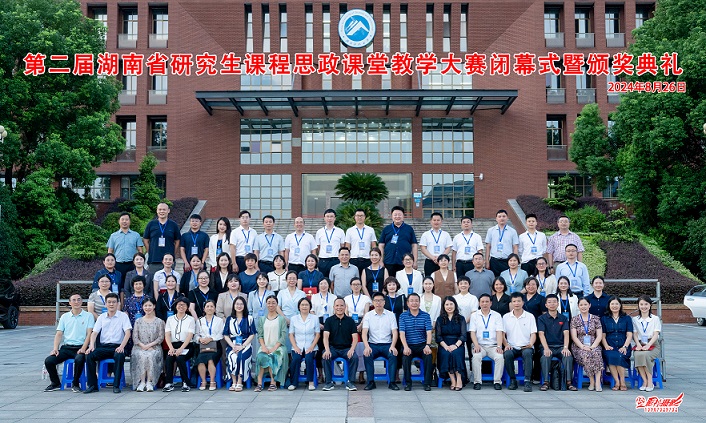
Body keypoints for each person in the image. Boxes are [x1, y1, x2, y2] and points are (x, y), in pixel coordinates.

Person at [43, 293, 94, 392]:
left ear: (82, 302)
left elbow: (89, 334)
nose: (76, 302)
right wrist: (55, 349)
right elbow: (59, 334)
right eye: (74, 300)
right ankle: (55, 383)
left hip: (81, 347)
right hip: (66, 348)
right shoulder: (64, 317)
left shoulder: (88, 316)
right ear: (70, 303)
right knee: (49, 361)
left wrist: (83, 348)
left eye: (79, 300)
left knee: (79, 359)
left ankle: (75, 383)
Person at [84, 293, 132, 394]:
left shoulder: (123, 316)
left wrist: (122, 346)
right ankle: (93, 385)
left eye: (114, 302)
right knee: (89, 355)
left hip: (117, 347)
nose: (111, 304)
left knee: (119, 356)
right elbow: (94, 333)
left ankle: (116, 385)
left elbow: (128, 333)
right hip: (104, 347)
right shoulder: (101, 317)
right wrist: (91, 345)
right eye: (109, 302)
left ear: (118, 303)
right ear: (105, 304)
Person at [536, 294, 576, 391]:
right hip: (547, 346)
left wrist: (566, 347)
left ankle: (568, 382)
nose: (552, 304)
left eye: (554, 302)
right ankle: (546, 382)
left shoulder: (563, 318)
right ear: (546, 305)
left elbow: (566, 333)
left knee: (568, 356)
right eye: (549, 302)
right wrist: (546, 348)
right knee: (545, 356)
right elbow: (541, 334)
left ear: (558, 304)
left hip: (561, 346)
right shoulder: (541, 318)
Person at [361, 292, 400, 391]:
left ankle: (392, 382)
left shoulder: (390, 315)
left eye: (381, 300)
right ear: (373, 302)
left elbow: (395, 332)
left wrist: (393, 346)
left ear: (384, 302)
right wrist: (366, 346)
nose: (378, 303)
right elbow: (364, 332)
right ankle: (371, 382)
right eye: (376, 301)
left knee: (393, 354)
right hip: (373, 345)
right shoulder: (368, 315)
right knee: (367, 354)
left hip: (387, 344)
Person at [321, 297, 359, 391]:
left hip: (346, 348)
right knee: (325, 356)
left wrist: (352, 349)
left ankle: (351, 382)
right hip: (333, 348)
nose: (339, 307)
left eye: (341, 305)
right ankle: (329, 382)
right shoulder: (329, 320)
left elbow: (355, 337)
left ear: (345, 307)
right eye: (337, 305)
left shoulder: (350, 321)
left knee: (354, 357)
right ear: (334, 307)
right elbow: (325, 337)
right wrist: (327, 350)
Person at [502, 292, 537, 392]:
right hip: (511, 346)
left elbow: (533, 333)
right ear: (511, 303)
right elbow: (502, 334)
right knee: (507, 354)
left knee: (527, 353)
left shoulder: (530, 316)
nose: (516, 303)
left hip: (526, 345)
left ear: (523, 302)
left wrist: (530, 344)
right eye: (514, 301)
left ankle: (527, 381)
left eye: (518, 301)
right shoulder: (506, 317)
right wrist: (506, 344)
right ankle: (513, 380)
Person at [469, 294, 504, 390]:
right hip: (480, 345)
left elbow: (499, 332)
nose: (485, 304)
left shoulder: (497, 315)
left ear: (491, 303)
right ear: (479, 303)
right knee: (476, 357)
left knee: (499, 357)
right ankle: (477, 382)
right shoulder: (474, 315)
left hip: (493, 346)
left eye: (487, 302)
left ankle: (497, 381)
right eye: (482, 302)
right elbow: (472, 332)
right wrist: (476, 345)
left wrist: (499, 346)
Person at [399, 293, 433, 391]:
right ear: (407, 303)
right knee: (405, 358)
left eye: (416, 301)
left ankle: (427, 383)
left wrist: (427, 345)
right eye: (412, 301)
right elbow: (402, 333)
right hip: (408, 345)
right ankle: (408, 383)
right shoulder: (403, 316)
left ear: (419, 302)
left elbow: (429, 333)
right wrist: (405, 347)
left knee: (428, 356)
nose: (414, 303)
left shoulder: (426, 316)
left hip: (422, 345)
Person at [254, 295, 289, 391]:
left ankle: (273, 383)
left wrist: (274, 348)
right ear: (266, 304)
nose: (271, 305)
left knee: (273, 356)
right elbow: (260, 335)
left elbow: (283, 336)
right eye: (269, 303)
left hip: (278, 347)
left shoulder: (281, 319)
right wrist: (263, 347)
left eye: (273, 303)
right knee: (261, 356)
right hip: (265, 346)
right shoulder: (262, 319)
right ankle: (259, 383)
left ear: (277, 304)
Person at [130, 297, 165, 392]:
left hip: (155, 347)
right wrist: (143, 346)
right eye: (145, 306)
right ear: (142, 307)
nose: (148, 308)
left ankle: (149, 382)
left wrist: (149, 346)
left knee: (150, 356)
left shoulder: (159, 321)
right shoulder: (138, 321)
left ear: (154, 306)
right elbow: (135, 337)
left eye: (150, 305)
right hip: (139, 347)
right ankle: (141, 382)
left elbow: (160, 337)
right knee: (141, 355)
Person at [162, 297, 196, 392]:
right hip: (173, 345)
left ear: (187, 307)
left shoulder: (190, 319)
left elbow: (190, 335)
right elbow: (167, 335)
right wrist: (171, 348)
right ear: (176, 306)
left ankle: (185, 382)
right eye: (179, 304)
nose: (181, 306)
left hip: (187, 345)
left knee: (180, 358)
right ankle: (169, 383)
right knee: (169, 358)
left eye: (184, 305)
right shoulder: (170, 319)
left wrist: (181, 348)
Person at [570, 297, 604, 391]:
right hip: (579, 346)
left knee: (596, 353)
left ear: (589, 305)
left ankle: (598, 382)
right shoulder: (575, 319)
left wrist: (593, 346)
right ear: (578, 306)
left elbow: (599, 335)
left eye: (585, 304)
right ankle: (591, 381)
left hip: (594, 344)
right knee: (586, 354)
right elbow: (574, 337)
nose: (583, 307)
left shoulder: (596, 319)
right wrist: (582, 346)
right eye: (581, 305)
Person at [223, 296, 257, 392]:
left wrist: (243, 346)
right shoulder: (229, 319)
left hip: (245, 344)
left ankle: (239, 381)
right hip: (232, 344)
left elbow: (252, 334)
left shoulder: (249, 318)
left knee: (241, 357)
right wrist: (233, 346)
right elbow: (225, 335)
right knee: (232, 357)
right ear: (234, 306)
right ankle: (233, 382)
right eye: (237, 304)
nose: (239, 306)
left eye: (241, 304)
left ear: (244, 306)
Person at [601, 296, 633, 391]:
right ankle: (617, 382)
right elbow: (603, 335)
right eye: (612, 304)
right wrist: (606, 345)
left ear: (620, 305)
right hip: (610, 345)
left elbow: (629, 334)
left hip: (623, 345)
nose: (614, 306)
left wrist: (625, 346)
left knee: (620, 356)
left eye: (616, 304)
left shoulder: (627, 318)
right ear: (609, 305)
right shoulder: (604, 318)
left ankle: (622, 382)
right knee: (611, 356)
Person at [287, 297, 320, 391]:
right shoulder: (294, 319)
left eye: (306, 305)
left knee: (309, 359)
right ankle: (293, 383)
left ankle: (310, 382)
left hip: (311, 346)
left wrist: (312, 347)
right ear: (299, 307)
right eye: (302, 305)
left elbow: (317, 334)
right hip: (297, 346)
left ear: (310, 307)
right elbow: (291, 334)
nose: (304, 307)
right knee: (295, 359)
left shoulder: (315, 318)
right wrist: (295, 347)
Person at [435, 296, 467, 391]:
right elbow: (438, 336)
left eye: (451, 304)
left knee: (456, 353)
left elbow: (463, 335)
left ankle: (459, 379)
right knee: (446, 354)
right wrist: (446, 346)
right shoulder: (440, 319)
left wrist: (456, 345)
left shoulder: (461, 318)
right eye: (447, 304)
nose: (449, 306)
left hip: (458, 344)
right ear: (444, 306)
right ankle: (453, 380)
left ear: (455, 305)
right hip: (444, 344)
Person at [345, 277, 372, 383]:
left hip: (362, 322)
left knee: (361, 348)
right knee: (350, 347)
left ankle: (361, 373)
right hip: (349, 322)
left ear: (361, 286)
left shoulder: (366, 298)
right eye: (354, 284)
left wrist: (361, 324)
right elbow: (346, 313)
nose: (356, 286)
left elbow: (366, 313)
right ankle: (350, 373)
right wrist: (350, 325)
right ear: (351, 286)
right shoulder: (347, 298)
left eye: (358, 284)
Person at [107, 212, 144, 289]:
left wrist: (140, 263)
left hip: (132, 265)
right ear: (119, 221)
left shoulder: (136, 235)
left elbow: (140, 251)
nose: (124, 221)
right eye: (122, 219)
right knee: (118, 286)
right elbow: (110, 252)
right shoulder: (113, 236)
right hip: (118, 265)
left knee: (132, 286)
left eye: (126, 219)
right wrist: (111, 264)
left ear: (129, 221)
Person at [632, 295, 661, 392]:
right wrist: (638, 344)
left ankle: (650, 381)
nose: (643, 306)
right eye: (641, 304)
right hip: (641, 344)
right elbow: (635, 334)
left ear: (650, 305)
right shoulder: (635, 319)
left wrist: (648, 345)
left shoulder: (655, 318)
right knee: (637, 355)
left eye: (646, 304)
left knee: (646, 355)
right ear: (638, 305)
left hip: (653, 344)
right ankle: (644, 381)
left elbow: (656, 334)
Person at [378, 206, 418, 276]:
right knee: (389, 281)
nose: (397, 216)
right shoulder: (386, 229)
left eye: (399, 215)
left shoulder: (409, 229)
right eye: (395, 215)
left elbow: (414, 245)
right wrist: (380, 260)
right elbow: (381, 245)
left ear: (403, 216)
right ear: (391, 216)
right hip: (389, 261)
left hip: (405, 262)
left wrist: (415, 261)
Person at [143, 202, 181, 273]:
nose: (162, 211)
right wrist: (150, 251)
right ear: (157, 211)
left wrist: (173, 253)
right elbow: (145, 239)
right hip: (154, 259)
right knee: (153, 279)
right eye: (160, 209)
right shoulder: (151, 224)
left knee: (169, 279)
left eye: (164, 209)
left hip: (169, 260)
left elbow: (177, 241)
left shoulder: (173, 225)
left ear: (168, 211)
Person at [195, 300, 225, 391]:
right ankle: (203, 381)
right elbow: (196, 335)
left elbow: (221, 334)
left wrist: (211, 338)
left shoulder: (219, 320)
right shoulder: (199, 321)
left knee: (210, 359)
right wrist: (200, 339)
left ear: (215, 309)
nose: (209, 308)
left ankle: (212, 381)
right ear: (204, 309)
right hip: (203, 346)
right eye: (207, 306)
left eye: (212, 306)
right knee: (200, 360)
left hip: (215, 346)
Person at [485, 209, 519, 276]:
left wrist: (515, 261)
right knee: (495, 280)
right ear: (496, 219)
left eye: (504, 216)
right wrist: (487, 261)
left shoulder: (512, 231)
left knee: (507, 279)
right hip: (494, 261)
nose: (502, 218)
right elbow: (488, 247)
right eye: (499, 216)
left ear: (507, 218)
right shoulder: (491, 230)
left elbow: (515, 247)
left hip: (507, 261)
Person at [345, 208, 378, 276]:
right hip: (353, 260)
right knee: (354, 280)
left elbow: (374, 246)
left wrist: (375, 258)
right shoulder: (350, 230)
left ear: (364, 217)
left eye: (361, 215)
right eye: (357, 215)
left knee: (367, 279)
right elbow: (347, 247)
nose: (359, 217)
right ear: (354, 217)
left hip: (367, 260)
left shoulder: (370, 230)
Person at [419, 212, 453, 276]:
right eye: (434, 220)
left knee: (443, 279)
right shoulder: (426, 234)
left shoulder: (446, 234)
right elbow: (423, 248)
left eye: (438, 220)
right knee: (429, 280)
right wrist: (432, 257)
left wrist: (440, 257)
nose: (436, 222)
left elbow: (448, 248)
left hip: (442, 262)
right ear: (431, 221)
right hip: (430, 261)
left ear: (441, 221)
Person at [315, 209, 346, 278]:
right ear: (324, 218)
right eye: (327, 216)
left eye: (331, 216)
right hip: (323, 260)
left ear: (335, 218)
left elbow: (342, 246)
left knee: (336, 280)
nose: (329, 218)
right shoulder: (319, 232)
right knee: (323, 280)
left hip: (336, 260)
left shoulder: (340, 231)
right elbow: (318, 246)